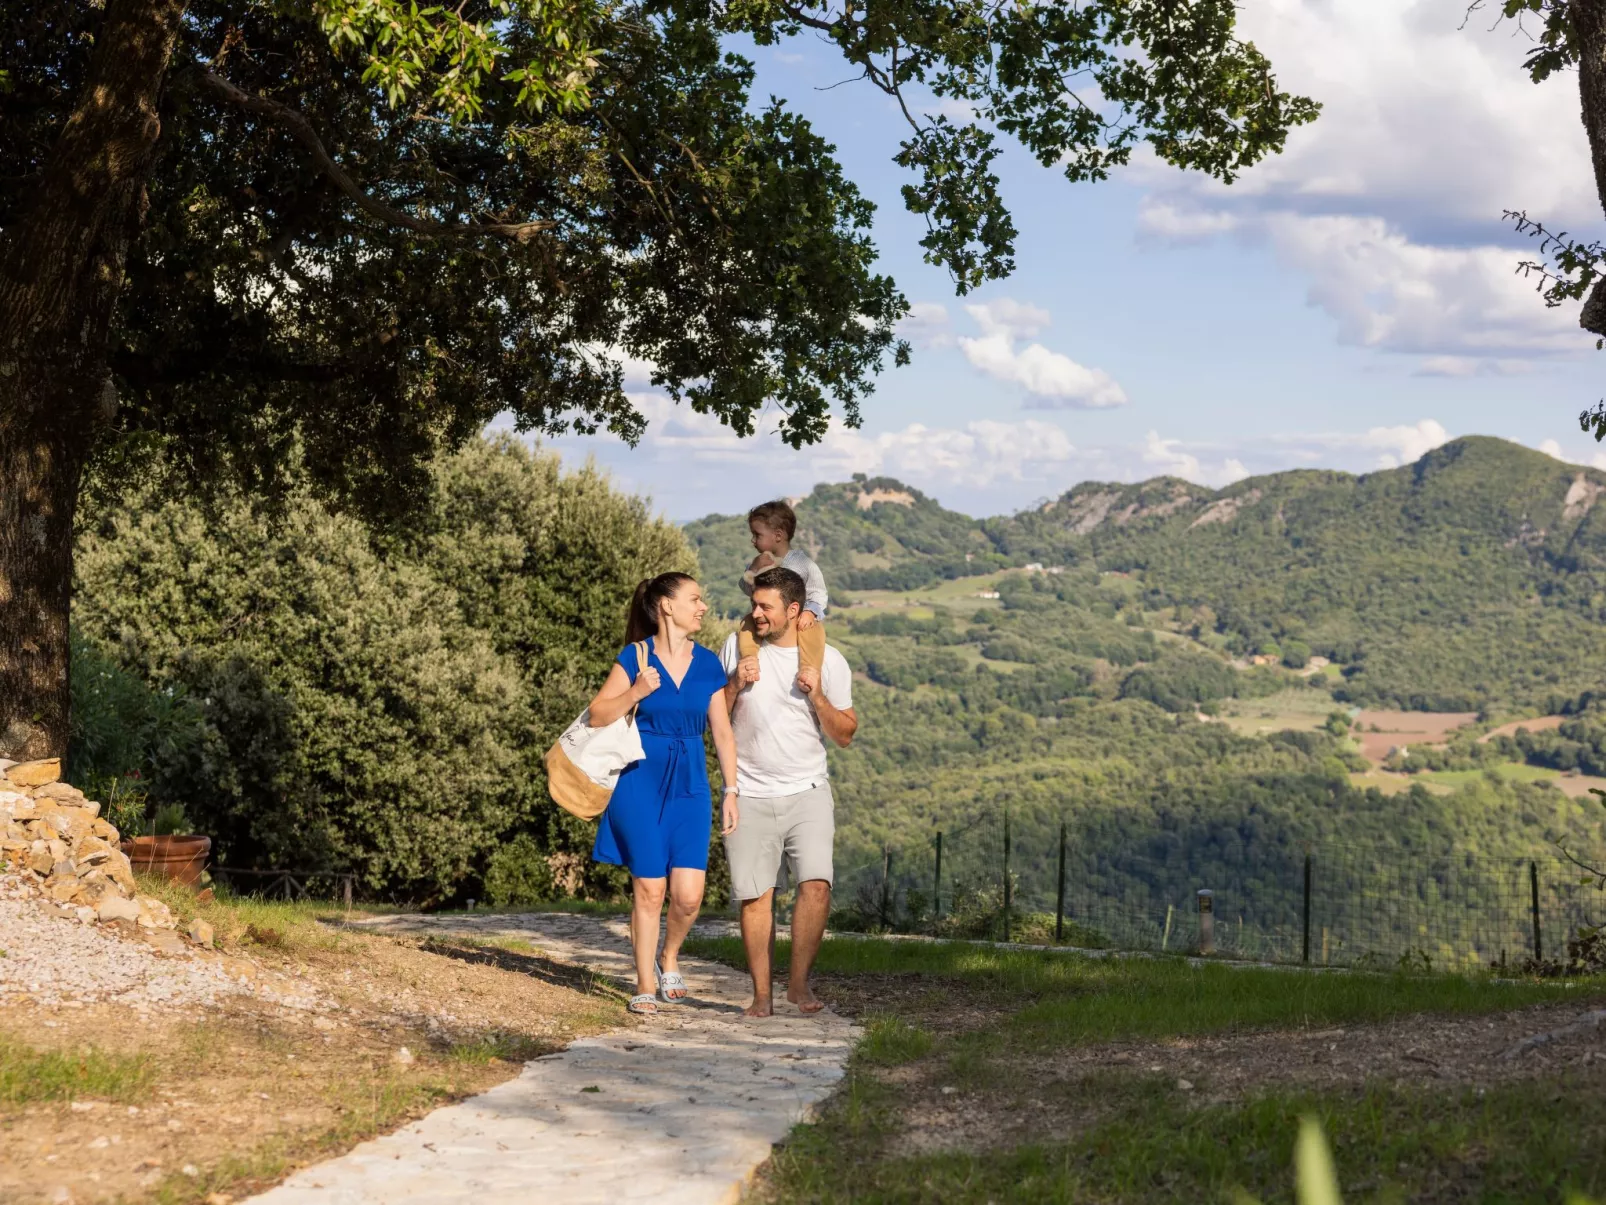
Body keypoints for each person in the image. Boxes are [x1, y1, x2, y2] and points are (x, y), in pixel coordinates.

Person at [587, 572, 739, 1016]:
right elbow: (597, 714)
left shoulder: (709, 663)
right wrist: (636, 691)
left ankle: (669, 953)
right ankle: (645, 982)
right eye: (695, 598)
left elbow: (723, 733)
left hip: (690, 784)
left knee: (689, 896)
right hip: (639, 780)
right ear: (667, 606)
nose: (703, 606)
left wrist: (731, 790)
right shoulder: (634, 657)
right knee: (650, 887)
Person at [720, 566, 857, 1017]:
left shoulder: (827, 660)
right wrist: (737, 682)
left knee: (816, 886)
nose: (755, 613)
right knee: (756, 895)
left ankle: (798, 987)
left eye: (766, 607)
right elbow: (714, 718)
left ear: (793, 610)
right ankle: (761, 995)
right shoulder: (734, 649)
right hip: (750, 792)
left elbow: (845, 734)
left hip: (809, 790)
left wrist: (817, 697)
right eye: (754, 605)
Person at [736, 500, 828, 686]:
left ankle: (809, 672)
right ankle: (749, 660)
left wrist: (810, 611)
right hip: (764, 618)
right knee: (746, 625)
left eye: (757, 535)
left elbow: (818, 591)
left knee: (814, 634)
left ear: (778, 535)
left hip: (799, 618)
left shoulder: (802, 564)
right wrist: (752, 570)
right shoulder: (757, 562)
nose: (753, 540)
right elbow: (746, 589)